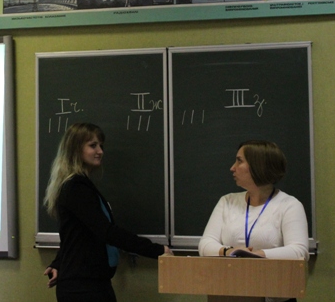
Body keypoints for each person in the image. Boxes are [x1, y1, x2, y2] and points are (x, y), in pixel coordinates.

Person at [43, 122, 171, 302]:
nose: (100, 151)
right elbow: (106, 231)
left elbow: (76, 234)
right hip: (82, 288)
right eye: (93, 145)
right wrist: (156, 250)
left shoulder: (80, 185)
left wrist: (58, 262)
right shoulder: (76, 188)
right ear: (76, 149)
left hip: (91, 283)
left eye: (101, 146)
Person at [198, 140, 308, 302]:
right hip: (229, 293)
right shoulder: (227, 201)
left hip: (275, 295)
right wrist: (229, 252)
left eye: (239, 161)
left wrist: (256, 255)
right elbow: (205, 244)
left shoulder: (289, 205)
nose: (232, 168)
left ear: (258, 165)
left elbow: (299, 252)